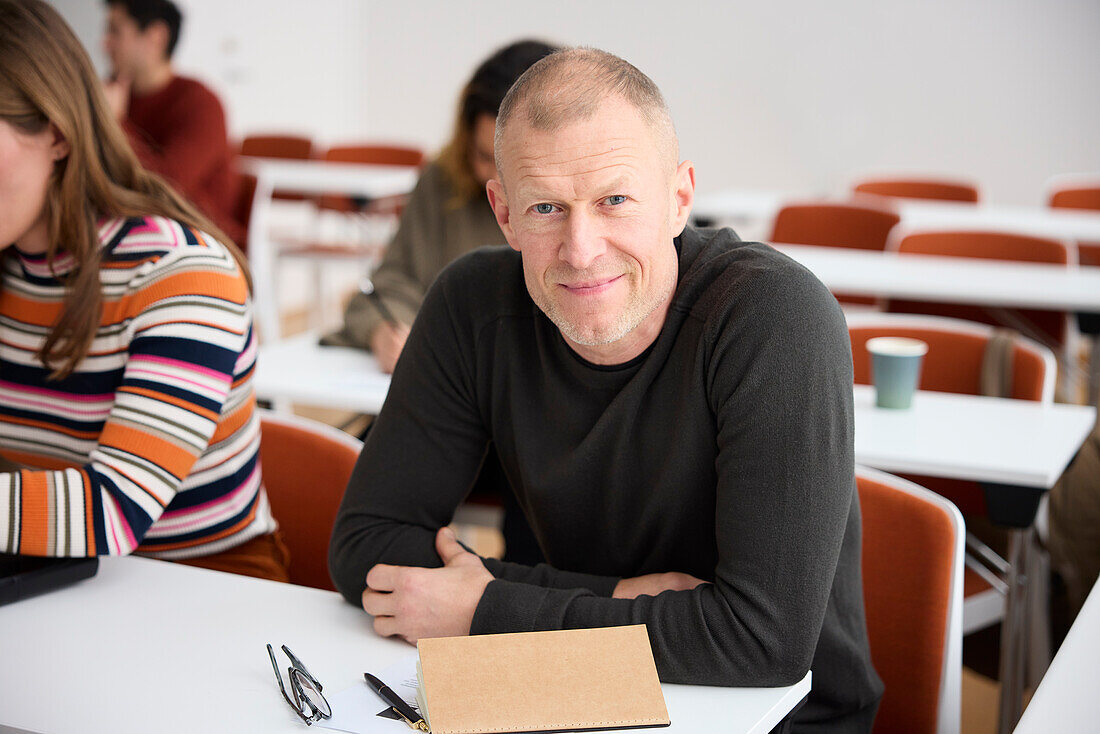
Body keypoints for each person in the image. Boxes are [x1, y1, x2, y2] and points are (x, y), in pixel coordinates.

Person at [329, 48, 883, 732]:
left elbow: (761, 642)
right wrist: (618, 598)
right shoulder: (471, 305)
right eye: (545, 207)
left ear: (680, 198)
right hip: (552, 691)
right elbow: (367, 546)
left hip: (771, 716)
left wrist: (485, 605)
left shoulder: (774, 317)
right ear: (503, 213)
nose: (582, 247)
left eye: (615, 200)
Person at [0, 0, 285, 581]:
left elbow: (112, 511)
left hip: (200, 590)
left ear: (56, 133)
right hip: (44, 575)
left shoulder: (181, 275)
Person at [325, 40, 557, 374]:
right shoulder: (442, 181)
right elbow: (392, 282)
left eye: (513, 163)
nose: (496, 180)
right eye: (483, 157)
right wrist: (386, 333)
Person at [101, 0, 244, 245]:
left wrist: (113, 123)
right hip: (137, 230)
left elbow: (165, 189)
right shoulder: (117, 95)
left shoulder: (200, 102)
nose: (105, 44)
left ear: (156, 37)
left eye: (116, 31)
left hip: (200, 241)